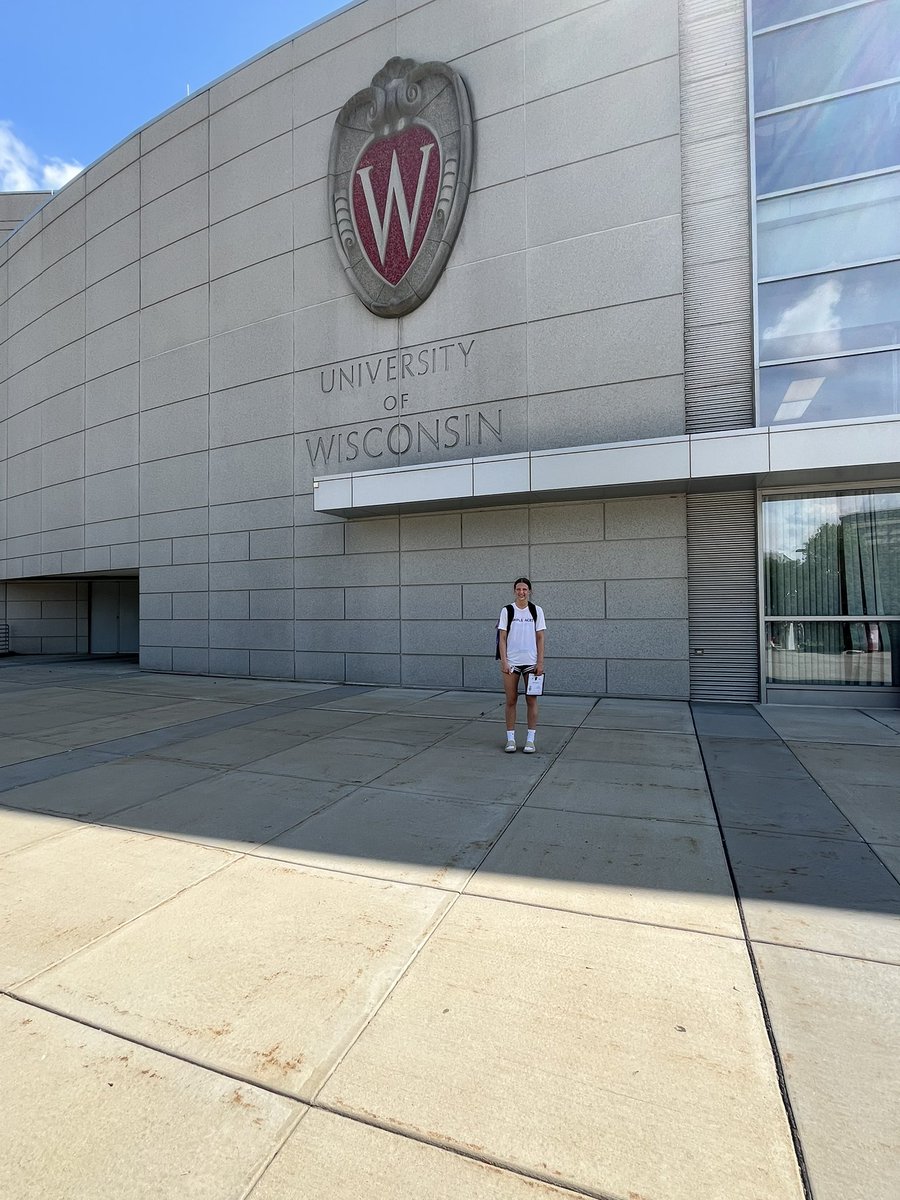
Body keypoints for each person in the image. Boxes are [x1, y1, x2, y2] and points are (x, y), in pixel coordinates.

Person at [497, 577, 546, 753]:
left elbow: (540, 637)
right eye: (518, 589)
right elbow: (502, 638)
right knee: (511, 700)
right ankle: (511, 739)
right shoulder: (507, 611)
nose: (521, 592)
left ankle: (530, 740)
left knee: (531, 700)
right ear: (514, 591)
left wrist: (540, 662)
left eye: (525, 589)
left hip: (531, 663)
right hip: (512, 663)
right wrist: (504, 660)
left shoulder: (537, 611)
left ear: (530, 591)